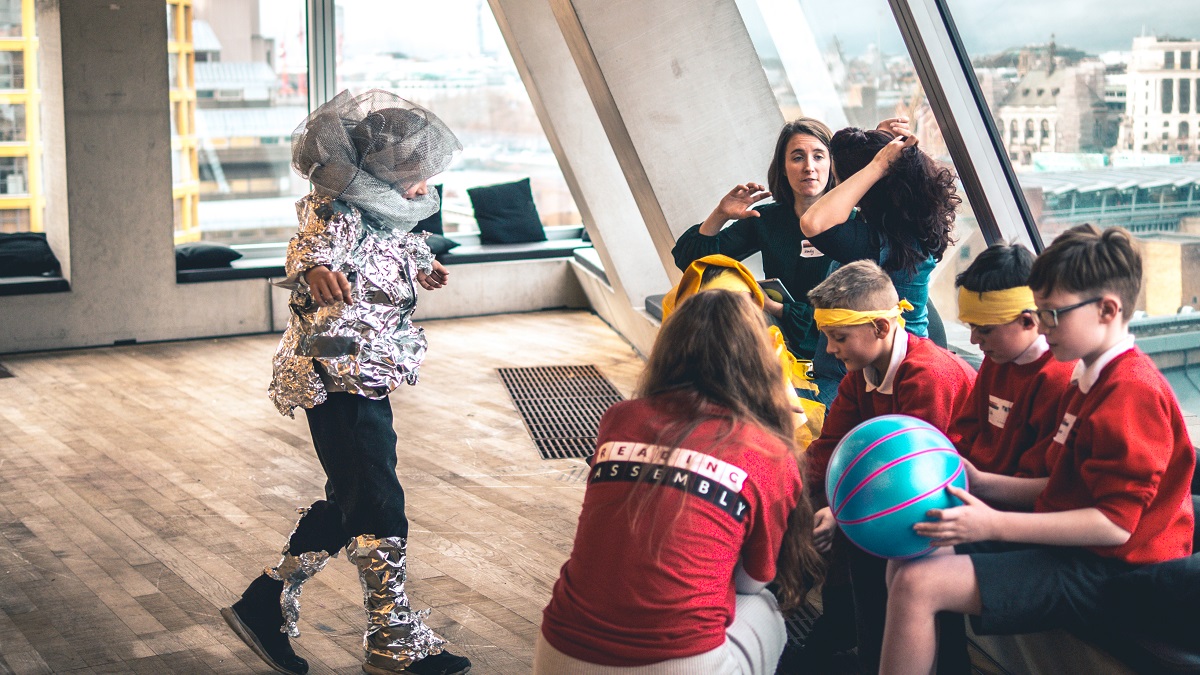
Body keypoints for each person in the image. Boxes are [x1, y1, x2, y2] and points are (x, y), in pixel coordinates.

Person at [220, 90, 471, 675]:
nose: (425, 184)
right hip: (335, 373)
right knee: (378, 497)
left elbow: (395, 242)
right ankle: (392, 641)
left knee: (353, 494)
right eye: (417, 173)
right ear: (386, 168)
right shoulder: (337, 205)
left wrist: (421, 264)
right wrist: (316, 269)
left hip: (363, 370)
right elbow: (313, 244)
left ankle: (264, 602)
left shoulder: (382, 208)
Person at [880, 225, 1196, 675]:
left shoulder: (1131, 392)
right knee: (911, 552)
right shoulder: (1089, 377)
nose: (1044, 328)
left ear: (1107, 310)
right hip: (1083, 554)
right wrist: (983, 482)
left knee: (917, 584)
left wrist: (991, 523)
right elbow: (1063, 488)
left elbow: (1113, 527)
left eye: (1052, 315)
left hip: (1116, 572)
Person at [536, 290, 824, 674]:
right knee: (764, 609)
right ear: (759, 361)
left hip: (560, 650)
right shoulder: (769, 451)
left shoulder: (619, 418)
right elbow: (754, 581)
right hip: (678, 661)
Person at [803, 260, 976, 675]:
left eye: (838, 337)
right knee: (823, 517)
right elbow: (828, 450)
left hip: (956, 503)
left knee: (871, 548)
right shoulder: (858, 376)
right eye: (827, 337)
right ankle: (858, 640)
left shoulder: (927, 376)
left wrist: (841, 515)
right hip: (902, 498)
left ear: (880, 328)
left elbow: (916, 480)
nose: (829, 349)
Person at [672, 117, 911, 360]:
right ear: (783, 169)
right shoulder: (767, 219)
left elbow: (858, 308)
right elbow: (693, 262)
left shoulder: (855, 224)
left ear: (832, 166)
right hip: (775, 339)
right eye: (797, 157)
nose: (809, 166)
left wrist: (776, 308)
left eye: (819, 156)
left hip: (835, 344)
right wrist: (720, 214)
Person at [799, 127, 959, 407]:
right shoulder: (894, 228)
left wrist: (878, 164)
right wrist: (878, 153)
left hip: (874, 380)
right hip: (860, 372)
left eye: (840, 180)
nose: (836, 187)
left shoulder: (882, 242)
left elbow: (814, 223)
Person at [661, 253, 825, 449]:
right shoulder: (682, 363)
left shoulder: (769, 346)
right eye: (724, 309)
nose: (739, 317)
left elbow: (790, 436)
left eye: (745, 306)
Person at [950, 243, 1076, 482]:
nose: (974, 339)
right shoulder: (996, 358)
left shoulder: (1058, 379)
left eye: (984, 330)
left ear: (1028, 322)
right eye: (971, 327)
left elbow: (1043, 476)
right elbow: (968, 433)